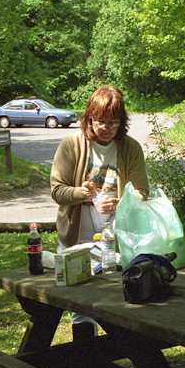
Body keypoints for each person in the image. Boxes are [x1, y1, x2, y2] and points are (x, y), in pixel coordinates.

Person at [50, 85, 149, 335]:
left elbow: (141, 191)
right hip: (76, 235)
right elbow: (57, 191)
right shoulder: (71, 145)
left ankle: (120, 353)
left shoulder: (130, 148)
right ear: (89, 119)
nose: (107, 128)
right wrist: (83, 194)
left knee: (117, 299)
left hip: (116, 237)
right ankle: (88, 367)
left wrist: (121, 200)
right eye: (101, 122)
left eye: (113, 123)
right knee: (80, 305)